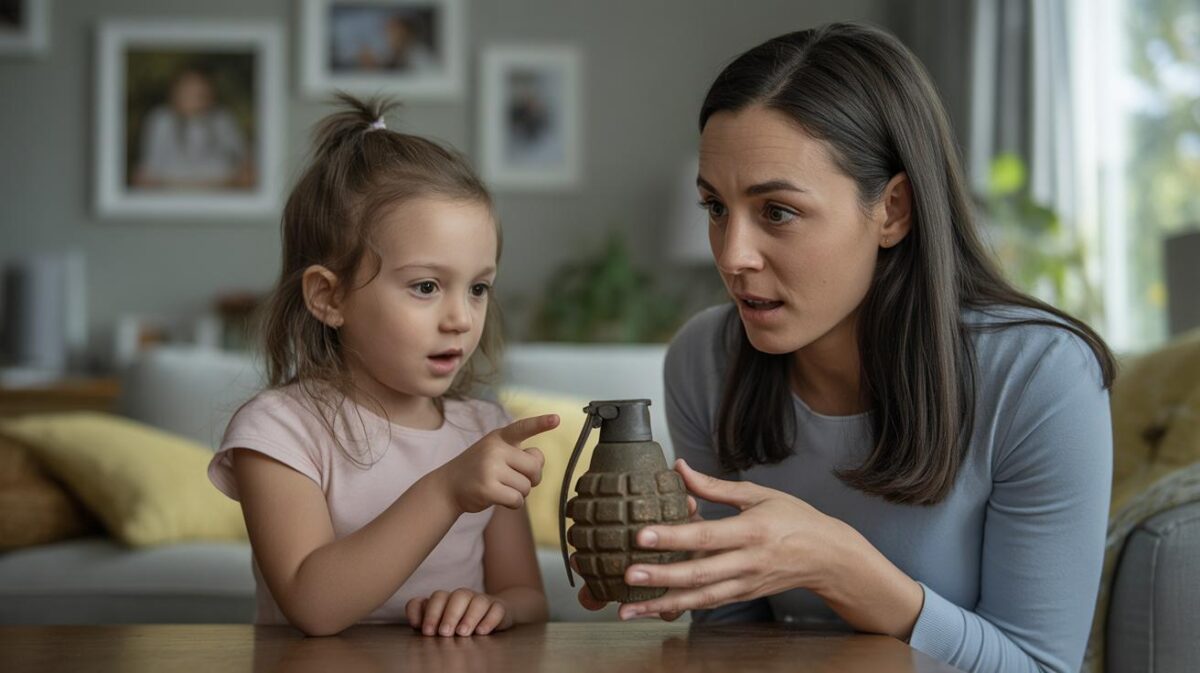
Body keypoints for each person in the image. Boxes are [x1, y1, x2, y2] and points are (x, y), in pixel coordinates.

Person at [576, 22, 1115, 673]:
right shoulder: (703, 361)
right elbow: (730, 637)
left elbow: (1040, 665)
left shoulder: (1040, 376)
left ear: (893, 210)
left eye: (776, 211)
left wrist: (844, 567)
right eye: (715, 207)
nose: (733, 255)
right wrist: (689, 581)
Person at [207, 95, 557, 637]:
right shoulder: (277, 432)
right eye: (425, 286)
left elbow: (527, 596)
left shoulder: (485, 431)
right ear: (329, 297)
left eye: (479, 288)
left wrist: (497, 609)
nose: (461, 318)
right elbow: (312, 604)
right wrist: (445, 491)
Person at [132, 66, 255, 190]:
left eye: (199, 91)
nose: (193, 97)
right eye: (187, 90)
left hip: (220, 198)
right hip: (170, 199)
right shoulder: (161, 120)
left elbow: (243, 166)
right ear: (174, 92)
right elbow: (148, 172)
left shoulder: (222, 120)